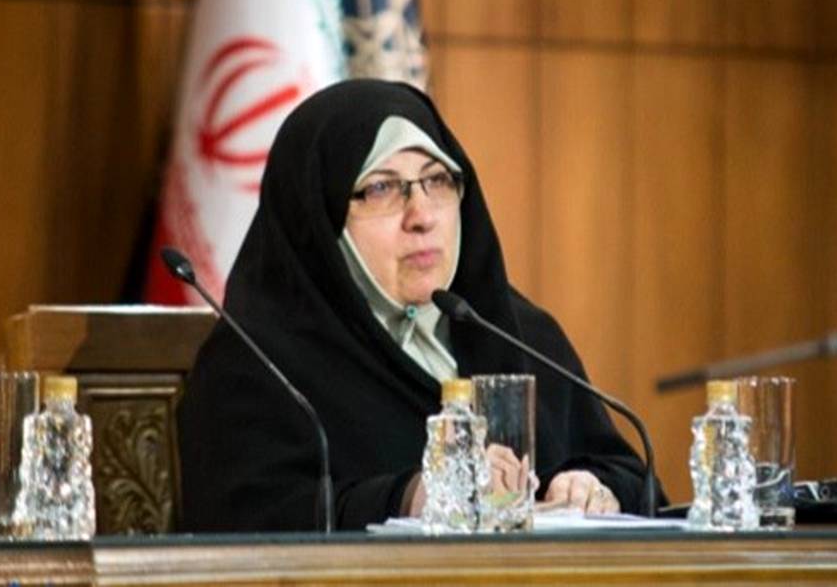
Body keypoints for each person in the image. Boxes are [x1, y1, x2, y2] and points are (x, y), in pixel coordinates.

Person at [177, 79, 659, 531]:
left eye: (438, 180)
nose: (422, 216)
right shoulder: (254, 365)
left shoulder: (519, 333)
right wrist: (406, 498)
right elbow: (247, 524)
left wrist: (595, 488)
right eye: (381, 188)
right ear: (319, 218)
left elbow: (637, 481)